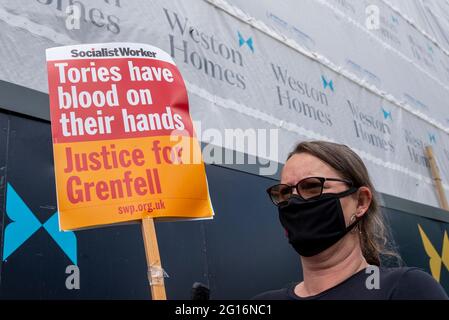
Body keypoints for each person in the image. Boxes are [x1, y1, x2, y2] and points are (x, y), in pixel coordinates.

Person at [254, 140, 448, 300]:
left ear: (361, 201)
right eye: (286, 192)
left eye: (313, 187)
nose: (295, 201)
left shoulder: (406, 290)